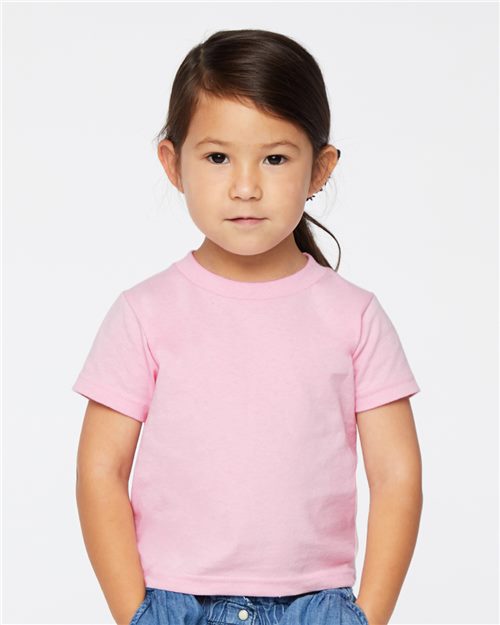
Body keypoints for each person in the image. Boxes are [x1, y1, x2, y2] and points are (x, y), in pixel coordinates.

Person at [73, 29, 422, 625]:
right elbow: (100, 470)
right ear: (173, 163)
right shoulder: (145, 313)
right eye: (217, 157)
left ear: (320, 169)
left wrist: (367, 617)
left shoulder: (354, 316)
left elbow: (396, 475)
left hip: (317, 606)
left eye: (275, 158)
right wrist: (137, 613)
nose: (245, 187)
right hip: (174, 602)